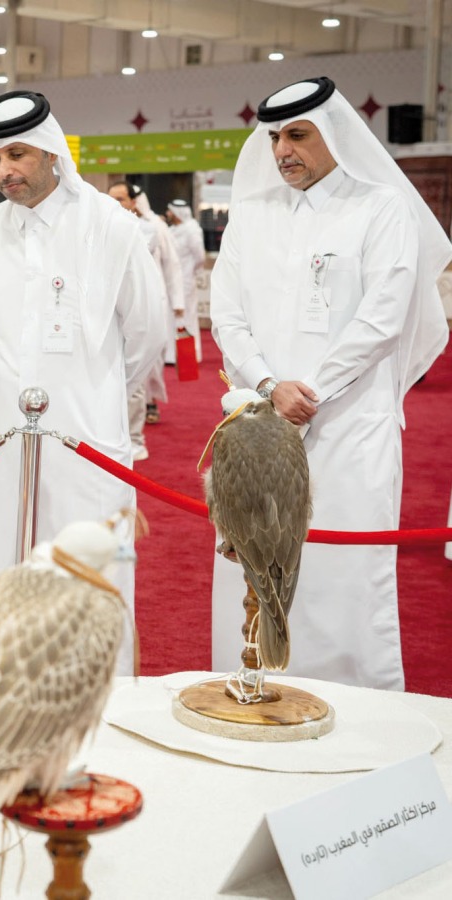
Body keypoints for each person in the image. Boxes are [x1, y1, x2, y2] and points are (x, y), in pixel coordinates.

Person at [209, 76, 451, 690]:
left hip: (349, 423)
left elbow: (383, 317)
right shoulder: (252, 214)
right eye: (274, 138)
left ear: (336, 135)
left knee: (344, 570)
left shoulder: (381, 207)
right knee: (254, 562)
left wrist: (309, 391)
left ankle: (353, 705)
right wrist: (269, 385)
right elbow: (226, 314)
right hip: (258, 422)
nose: (282, 150)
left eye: (298, 135)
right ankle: (255, 684)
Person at [0, 90, 163, 676]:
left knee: (84, 579)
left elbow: (147, 333)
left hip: (85, 442)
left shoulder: (110, 227)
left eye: (18, 155)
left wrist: (93, 394)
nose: (4, 170)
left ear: (52, 151)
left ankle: (93, 707)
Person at [109, 180, 180, 456]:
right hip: (108, 313)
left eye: (120, 199)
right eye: (110, 198)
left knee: (139, 373)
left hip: (142, 310)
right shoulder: (100, 227)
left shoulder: (150, 229)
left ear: (133, 202)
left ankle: (136, 439)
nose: (115, 204)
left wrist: (178, 303)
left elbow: (171, 266)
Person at [166, 198, 206, 362]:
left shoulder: (191, 230)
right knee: (171, 315)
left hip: (186, 279)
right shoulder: (171, 230)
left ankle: (189, 355)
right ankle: (171, 355)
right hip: (171, 279)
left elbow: (200, 257)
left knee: (187, 315)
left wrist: (190, 271)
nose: (168, 213)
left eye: (170, 211)